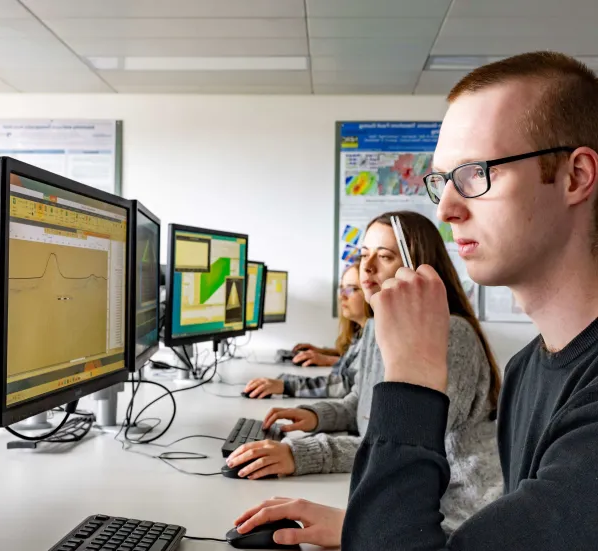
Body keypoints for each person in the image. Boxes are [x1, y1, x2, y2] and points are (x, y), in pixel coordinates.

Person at [234, 51, 598, 550]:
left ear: (575, 176)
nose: (447, 208)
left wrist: (412, 375)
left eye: (475, 173)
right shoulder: (529, 370)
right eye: (442, 181)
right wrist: (374, 526)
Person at [229, 211, 503, 541]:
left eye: (384, 256)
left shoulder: (450, 334)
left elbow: (408, 438)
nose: (367, 267)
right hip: (405, 493)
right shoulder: (377, 325)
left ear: (418, 266)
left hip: (454, 512)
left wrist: (300, 454)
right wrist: (314, 416)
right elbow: (362, 402)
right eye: (363, 255)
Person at [243, 261, 369, 399]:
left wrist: (286, 385)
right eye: (342, 289)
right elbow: (349, 368)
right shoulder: (362, 333)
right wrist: (325, 353)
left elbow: (346, 384)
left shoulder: (376, 339)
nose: (342, 296)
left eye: (352, 289)